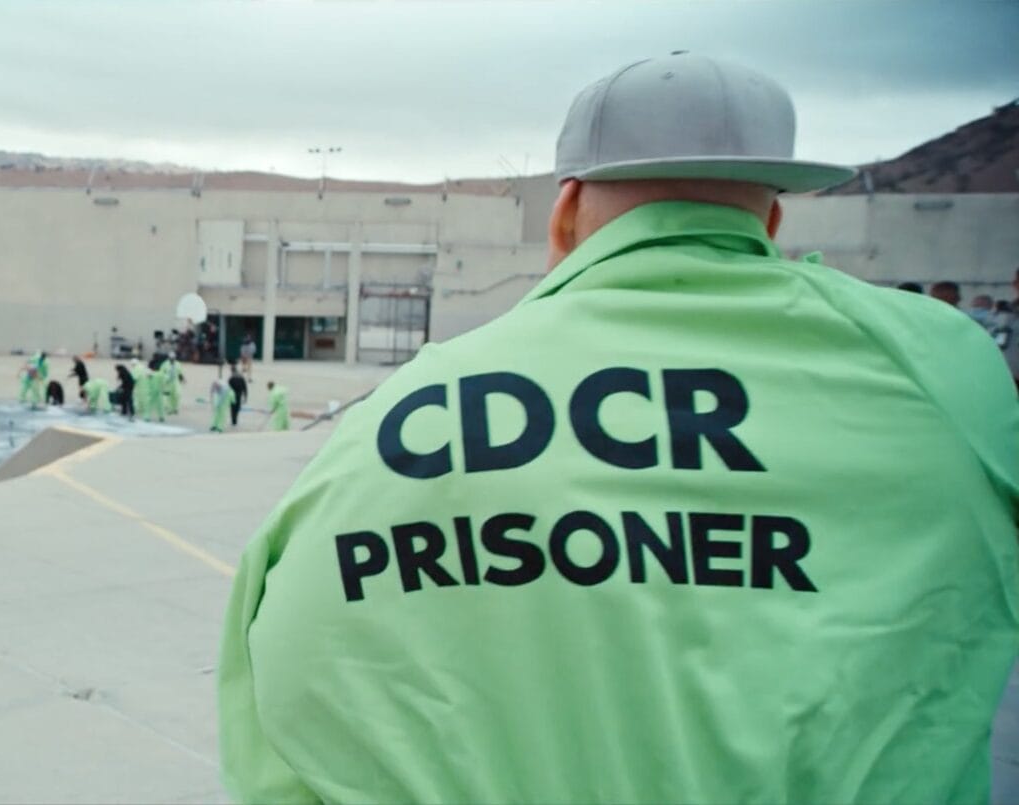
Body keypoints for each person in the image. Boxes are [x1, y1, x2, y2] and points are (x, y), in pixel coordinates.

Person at [219, 53, 1019, 804]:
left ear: (565, 212)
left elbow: (281, 668)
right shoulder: (937, 364)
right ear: (771, 219)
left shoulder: (415, 404)